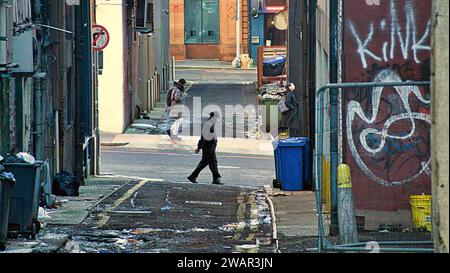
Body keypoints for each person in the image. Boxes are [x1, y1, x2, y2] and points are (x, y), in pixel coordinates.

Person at [188, 112, 223, 185]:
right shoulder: (208, 125)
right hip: (209, 148)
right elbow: (203, 137)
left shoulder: (210, 124)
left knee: (204, 163)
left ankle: (192, 176)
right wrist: (199, 147)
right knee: (213, 163)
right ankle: (216, 179)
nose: (217, 119)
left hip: (210, 147)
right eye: (216, 118)